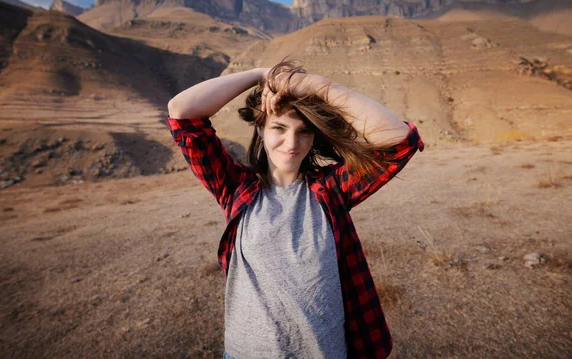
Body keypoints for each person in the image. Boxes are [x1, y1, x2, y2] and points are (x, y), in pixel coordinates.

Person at [166, 59, 424, 359]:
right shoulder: (235, 187)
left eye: (304, 131)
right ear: (260, 129)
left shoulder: (331, 190)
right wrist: (262, 75)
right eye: (279, 127)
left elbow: (398, 142)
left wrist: (311, 86)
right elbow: (182, 113)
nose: (292, 143)